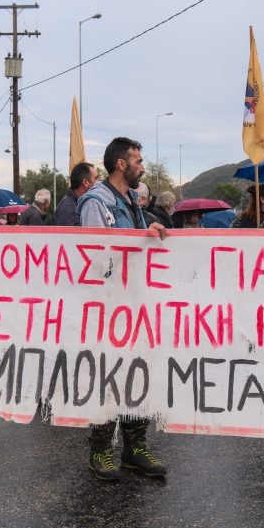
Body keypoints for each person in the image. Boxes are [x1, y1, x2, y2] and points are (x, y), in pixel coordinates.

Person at [76, 136, 168, 482]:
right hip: (108, 308)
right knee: (108, 375)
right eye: (138, 160)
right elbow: (96, 256)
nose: (142, 167)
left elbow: (131, 246)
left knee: (137, 374)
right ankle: (100, 450)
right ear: (121, 164)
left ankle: (134, 448)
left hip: (134, 305)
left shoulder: (131, 202)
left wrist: (147, 232)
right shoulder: (96, 202)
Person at [53, 162, 96, 227]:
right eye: (96, 178)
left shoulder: (76, 204)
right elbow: (72, 234)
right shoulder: (68, 210)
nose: (99, 182)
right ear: (85, 182)